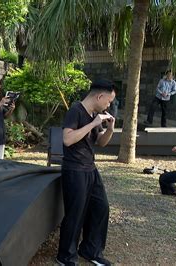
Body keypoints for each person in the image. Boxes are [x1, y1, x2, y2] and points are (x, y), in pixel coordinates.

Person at [56, 79, 116, 266]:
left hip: (90, 168)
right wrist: (93, 123)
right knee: (76, 214)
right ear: (99, 96)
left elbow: (101, 142)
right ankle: (65, 257)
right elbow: (67, 139)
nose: (109, 105)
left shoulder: (93, 114)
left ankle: (90, 250)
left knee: (101, 208)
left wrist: (110, 129)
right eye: (108, 101)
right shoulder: (76, 110)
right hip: (74, 170)